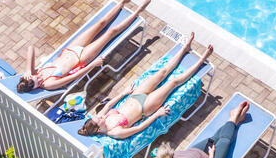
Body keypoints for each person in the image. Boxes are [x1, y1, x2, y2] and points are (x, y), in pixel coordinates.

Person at [78, 33, 211, 140]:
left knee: (162, 72)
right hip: (145, 107)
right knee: (173, 83)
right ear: (98, 129)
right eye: (99, 119)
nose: (101, 116)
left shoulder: (100, 118)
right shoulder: (114, 132)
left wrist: (124, 93)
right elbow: (138, 128)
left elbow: (108, 105)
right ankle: (201, 61)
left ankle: (184, 48)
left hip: (134, 96)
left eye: (98, 117)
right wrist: (157, 114)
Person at [18, 0, 151, 93]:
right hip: (81, 59)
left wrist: (28, 70)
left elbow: (30, 48)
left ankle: (123, 1)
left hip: (70, 49)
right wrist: (92, 65)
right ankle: (139, 10)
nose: (37, 79)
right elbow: (73, 77)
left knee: (100, 23)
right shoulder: (48, 84)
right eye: (35, 83)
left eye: (33, 78)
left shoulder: (34, 72)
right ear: (34, 88)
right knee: (111, 33)